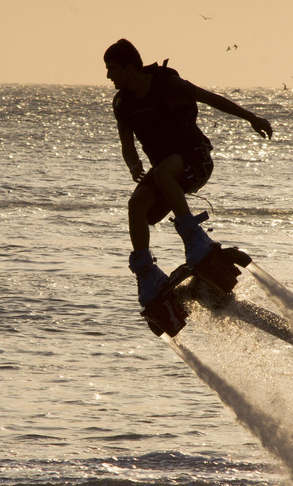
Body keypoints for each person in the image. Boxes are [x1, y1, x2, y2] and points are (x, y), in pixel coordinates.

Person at [105, 38, 273, 305]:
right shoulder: (123, 103)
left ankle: (196, 240)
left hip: (196, 159)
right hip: (167, 170)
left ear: (129, 67)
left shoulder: (167, 85)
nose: (108, 75)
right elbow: (127, 144)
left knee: (161, 175)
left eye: (112, 68)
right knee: (137, 204)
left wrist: (251, 118)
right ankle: (147, 274)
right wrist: (133, 164)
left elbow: (210, 99)